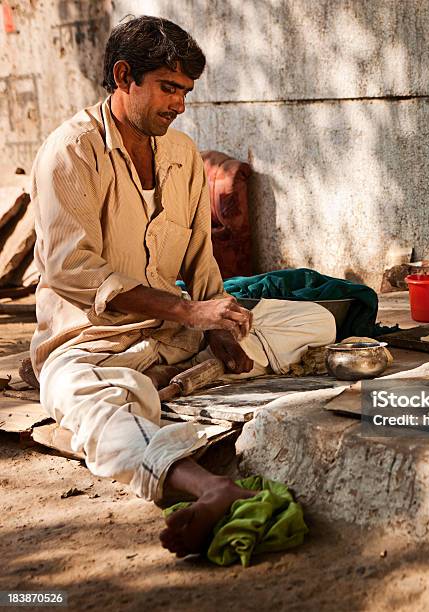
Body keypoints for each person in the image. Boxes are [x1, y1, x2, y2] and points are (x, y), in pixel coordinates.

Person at [30, 15, 335, 558]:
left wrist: (217, 323)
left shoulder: (181, 153)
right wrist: (191, 314)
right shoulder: (70, 152)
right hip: (89, 347)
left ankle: (170, 384)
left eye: (186, 92)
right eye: (169, 89)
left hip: (175, 339)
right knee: (90, 409)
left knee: (314, 319)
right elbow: (70, 269)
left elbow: (201, 258)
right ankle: (208, 486)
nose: (180, 105)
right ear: (124, 76)